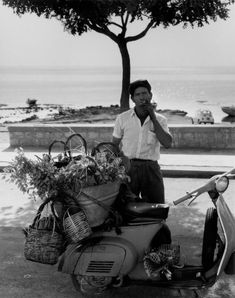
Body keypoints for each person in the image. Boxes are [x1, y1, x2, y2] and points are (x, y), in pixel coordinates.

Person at [112, 79, 172, 204]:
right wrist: (122, 163)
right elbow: (113, 145)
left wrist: (153, 117)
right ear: (132, 99)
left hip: (151, 168)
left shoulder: (160, 120)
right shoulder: (123, 119)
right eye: (137, 95)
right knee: (124, 206)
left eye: (144, 93)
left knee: (156, 207)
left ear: (150, 95)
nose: (142, 97)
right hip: (129, 167)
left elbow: (167, 143)